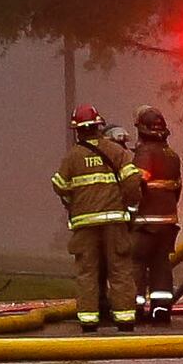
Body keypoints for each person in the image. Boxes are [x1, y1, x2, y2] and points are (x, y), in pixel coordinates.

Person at [50, 105, 138, 330]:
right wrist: (127, 205)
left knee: (87, 272)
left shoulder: (73, 157)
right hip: (115, 224)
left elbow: (59, 185)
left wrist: (73, 204)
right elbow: (132, 181)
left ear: (77, 131)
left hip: (85, 225)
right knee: (119, 270)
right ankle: (125, 319)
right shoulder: (116, 151)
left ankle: (89, 321)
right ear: (99, 125)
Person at [128, 105, 183, 324]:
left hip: (145, 222)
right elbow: (176, 188)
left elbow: (137, 183)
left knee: (137, 263)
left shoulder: (145, 153)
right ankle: (161, 309)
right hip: (168, 222)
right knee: (161, 264)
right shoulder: (172, 155)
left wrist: (131, 211)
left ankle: (135, 308)